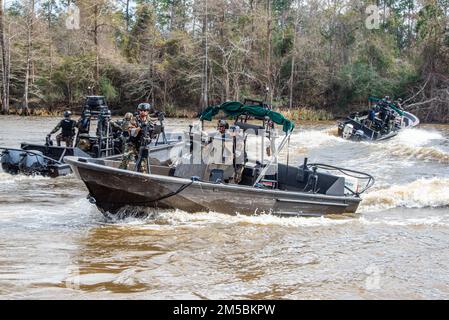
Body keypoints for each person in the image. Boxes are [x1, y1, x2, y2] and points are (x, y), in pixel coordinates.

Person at [119, 104, 155, 172]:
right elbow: (131, 132)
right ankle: (120, 173)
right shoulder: (134, 120)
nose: (142, 112)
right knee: (125, 159)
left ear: (147, 111)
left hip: (142, 145)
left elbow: (152, 134)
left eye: (144, 110)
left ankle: (142, 178)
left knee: (142, 166)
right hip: (132, 144)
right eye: (141, 110)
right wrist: (140, 127)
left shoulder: (150, 121)